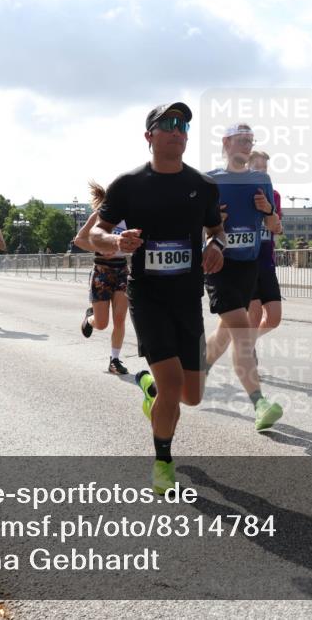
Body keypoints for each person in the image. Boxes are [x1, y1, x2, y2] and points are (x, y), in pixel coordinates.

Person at [90, 101, 224, 494]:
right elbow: (95, 233)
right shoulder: (128, 185)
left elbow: (217, 231)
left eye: (183, 125)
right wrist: (116, 240)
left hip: (188, 299)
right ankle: (163, 462)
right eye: (168, 124)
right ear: (149, 136)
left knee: (191, 396)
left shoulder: (202, 186)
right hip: (148, 298)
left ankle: (149, 391)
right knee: (172, 385)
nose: (178, 130)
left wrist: (216, 246)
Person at [203, 124, 284, 431]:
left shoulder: (261, 179)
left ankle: (197, 369)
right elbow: (192, 226)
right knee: (241, 331)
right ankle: (259, 404)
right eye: (242, 140)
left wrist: (268, 211)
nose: (247, 145)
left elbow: (274, 227)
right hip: (219, 265)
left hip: (249, 266)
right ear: (226, 143)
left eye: (251, 141)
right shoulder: (210, 180)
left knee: (225, 333)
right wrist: (213, 223)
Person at [75, 181, 131, 374]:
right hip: (102, 271)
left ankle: (114, 360)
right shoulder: (99, 216)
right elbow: (79, 240)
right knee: (102, 323)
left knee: (120, 319)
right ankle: (90, 318)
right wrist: (100, 247)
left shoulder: (130, 217)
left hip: (122, 270)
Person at [246, 150, 285, 341]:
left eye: (265, 168)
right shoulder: (240, 192)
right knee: (254, 314)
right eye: (257, 167)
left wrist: (277, 226)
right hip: (246, 262)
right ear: (247, 167)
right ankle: (247, 350)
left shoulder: (274, 195)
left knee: (274, 318)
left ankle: (247, 342)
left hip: (267, 262)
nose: (262, 171)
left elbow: (277, 227)